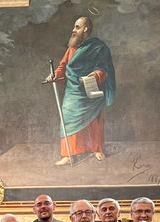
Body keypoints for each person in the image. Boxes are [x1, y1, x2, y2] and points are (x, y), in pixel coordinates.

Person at [46, 16, 115, 165]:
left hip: (91, 88)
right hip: (73, 91)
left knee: (95, 120)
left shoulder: (99, 47)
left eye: (77, 27)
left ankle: (97, 149)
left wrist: (95, 75)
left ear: (86, 29)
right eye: (74, 27)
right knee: (68, 120)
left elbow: (104, 67)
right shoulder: (72, 48)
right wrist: (54, 75)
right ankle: (69, 154)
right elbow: (62, 66)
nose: (73, 30)